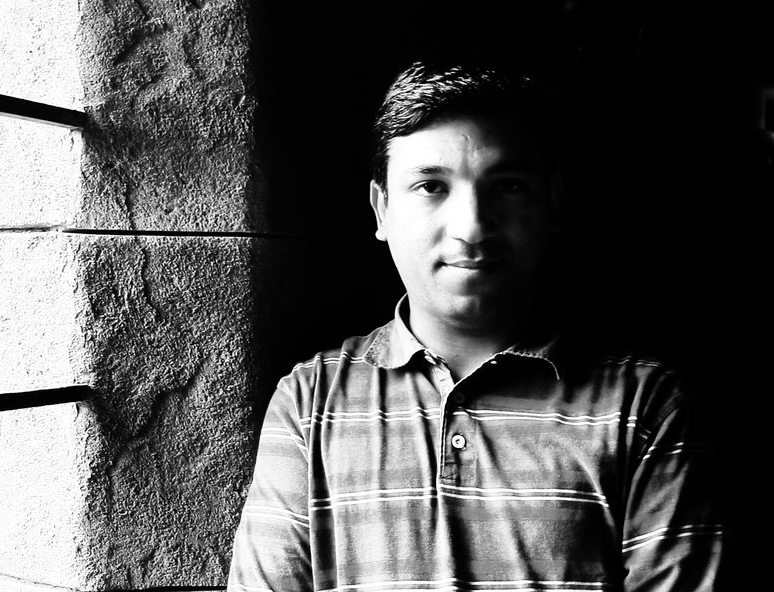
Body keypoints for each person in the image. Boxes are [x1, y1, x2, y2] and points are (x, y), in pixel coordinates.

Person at [228, 57, 732, 590]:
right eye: (430, 186)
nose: (471, 227)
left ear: (552, 202)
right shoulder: (310, 402)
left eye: (507, 186)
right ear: (381, 210)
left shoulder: (644, 405)